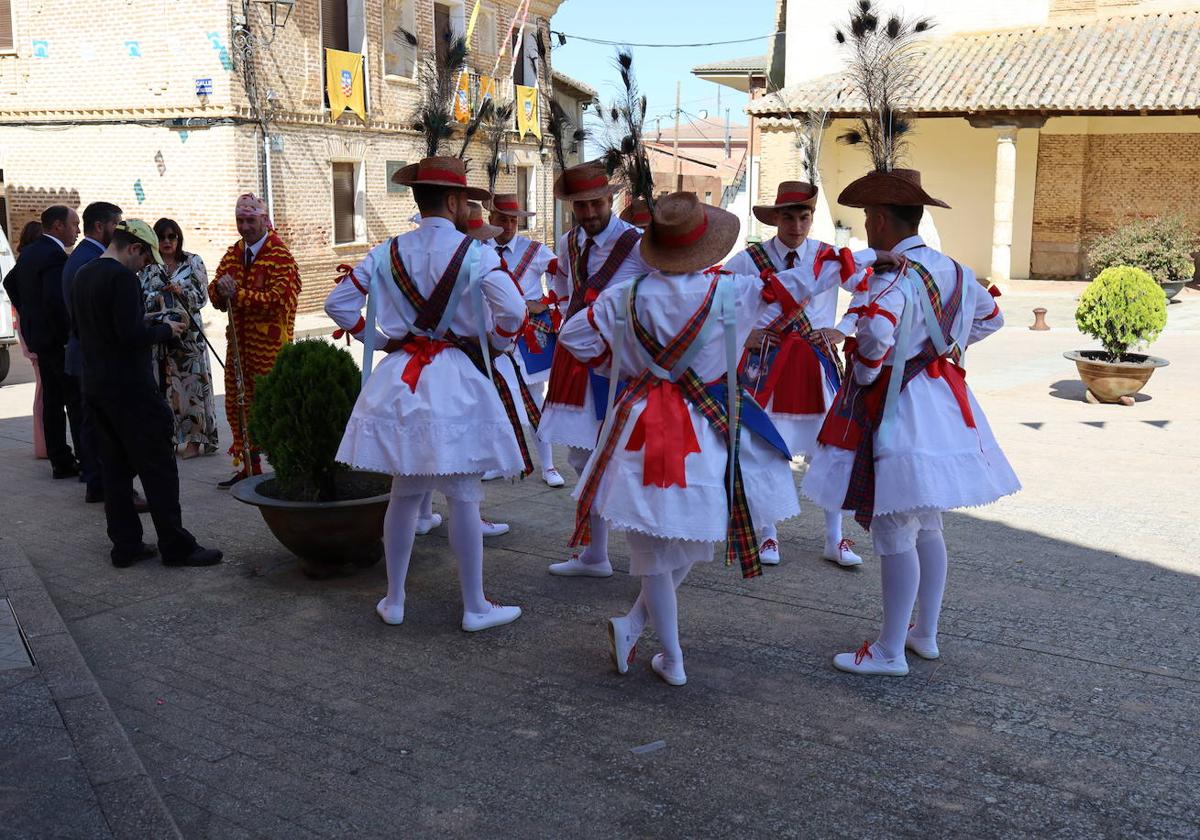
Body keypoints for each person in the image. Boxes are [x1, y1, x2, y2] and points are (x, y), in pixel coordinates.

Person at [559, 192, 828, 685]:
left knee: (660, 543)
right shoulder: (734, 292)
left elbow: (572, 337)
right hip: (711, 422)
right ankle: (668, 653)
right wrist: (868, 262)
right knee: (688, 532)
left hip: (639, 421)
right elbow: (804, 283)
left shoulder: (625, 296)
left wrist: (621, 366)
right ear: (706, 245)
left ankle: (650, 637)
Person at [802, 168, 1020, 676]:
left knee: (895, 524)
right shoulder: (957, 270)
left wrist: (866, 367)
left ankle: (889, 650)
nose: (865, 227)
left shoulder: (894, 275)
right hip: (943, 401)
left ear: (879, 220)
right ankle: (925, 634)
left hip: (897, 407)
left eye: (866, 219)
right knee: (927, 523)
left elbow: (875, 335)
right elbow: (992, 316)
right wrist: (946, 350)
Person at [324, 156, 526, 632]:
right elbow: (514, 311)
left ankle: (394, 599)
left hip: (401, 378)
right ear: (454, 202)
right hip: (455, 378)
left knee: (404, 492)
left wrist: (377, 337)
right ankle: (474, 606)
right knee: (462, 494)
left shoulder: (384, 252)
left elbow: (338, 304)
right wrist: (493, 341)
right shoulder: (477, 254)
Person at [723, 181, 871, 568]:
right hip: (766, 367)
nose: (797, 224)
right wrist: (744, 332)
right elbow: (719, 300)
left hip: (816, 364)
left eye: (804, 216)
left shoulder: (830, 257)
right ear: (775, 218)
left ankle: (834, 538)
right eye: (788, 216)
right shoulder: (749, 260)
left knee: (831, 450)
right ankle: (768, 534)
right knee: (766, 448)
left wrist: (846, 326)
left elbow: (872, 290)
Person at [69, 220, 223, 569]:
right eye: (145, 258)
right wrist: (163, 328)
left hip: (96, 387)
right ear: (134, 248)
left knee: (115, 470)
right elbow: (129, 336)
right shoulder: (121, 278)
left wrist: (145, 318)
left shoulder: (83, 274)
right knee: (158, 467)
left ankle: (125, 545)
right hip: (131, 389)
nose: (145, 266)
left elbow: (84, 329)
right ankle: (176, 545)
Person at [538, 160, 653, 578]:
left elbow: (660, 294)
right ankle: (596, 553)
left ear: (611, 199)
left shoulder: (639, 245)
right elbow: (564, 287)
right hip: (575, 360)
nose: (588, 214)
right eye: (579, 207)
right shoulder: (569, 241)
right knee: (580, 456)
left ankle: (647, 555)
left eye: (594, 205)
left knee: (627, 458)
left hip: (621, 363)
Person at [208, 194, 301, 487]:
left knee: (273, 406)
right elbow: (214, 293)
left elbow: (277, 300)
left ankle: (289, 468)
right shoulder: (234, 253)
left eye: (250, 220)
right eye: (240, 220)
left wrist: (236, 294)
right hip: (238, 345)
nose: (245, 227)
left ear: (264, 220)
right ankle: (251, 467)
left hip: (270, 348)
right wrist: (220, 291)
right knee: (238, 405)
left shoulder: (280, 255)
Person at [487, 192, 563, 487]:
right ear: (491, 220)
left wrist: (550, 302)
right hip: (495, 335)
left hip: (530, 336)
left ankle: (549, 466)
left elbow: (563, 274)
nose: (508, 225)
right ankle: (498, 463)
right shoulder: (480, 249)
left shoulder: (535, 250)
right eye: (502, 219)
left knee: (534, 400)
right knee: (495, 400)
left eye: (513, 220)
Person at [3, 205, 82, 479]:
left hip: (40, 336)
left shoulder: (31, 251)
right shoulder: (53, 254)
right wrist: (65, 336)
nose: (77, 230)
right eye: (74, 224)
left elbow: (9, 281)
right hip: (55, 341)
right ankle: (74, 460)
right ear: (58, 226)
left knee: (51, 400)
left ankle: (60, 459)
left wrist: (28, 313)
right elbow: (55, 300)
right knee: (72, 400)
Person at [62, 201, 127, 505]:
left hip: (85, 353)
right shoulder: (91, 259)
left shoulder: (81, 256)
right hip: (91, 354)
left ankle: (96, 482)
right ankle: (99, 482)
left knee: (91, 423)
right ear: (100, 226)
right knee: (96, 425)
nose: (119, 231)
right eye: (116, 224)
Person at [140, 217, 218, 459]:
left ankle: (195, 441)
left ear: (178, 238)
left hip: (188, 337)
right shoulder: (148, 266)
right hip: (161, 337)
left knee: (191, 389)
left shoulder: (192, 261)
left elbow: (202, 296)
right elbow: (141, 297)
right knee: (165, 390)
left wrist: (181, 290)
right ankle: (170, 439)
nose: (166, 241)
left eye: (171, 236)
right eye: (162, 237)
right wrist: (159, 296)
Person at [12, 221, 47, 459]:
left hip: (30, 335)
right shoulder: (29, 267)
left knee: (42, 393)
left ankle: (43, 444)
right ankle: (43, 445)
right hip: (34, 337)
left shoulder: (23, 265)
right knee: (44, 394)